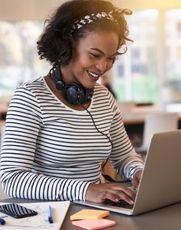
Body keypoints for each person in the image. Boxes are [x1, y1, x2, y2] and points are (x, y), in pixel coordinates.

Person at [0, 0, 143, 205]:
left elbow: (125, 157)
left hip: (98, 209)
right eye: (95, 55)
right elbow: (12, 179)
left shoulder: (104, 98)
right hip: (49, 214)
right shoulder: (30, 97)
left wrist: (138, 170)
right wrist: (85, 190)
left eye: (110, 58)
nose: (103, 66)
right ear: (67, 46)